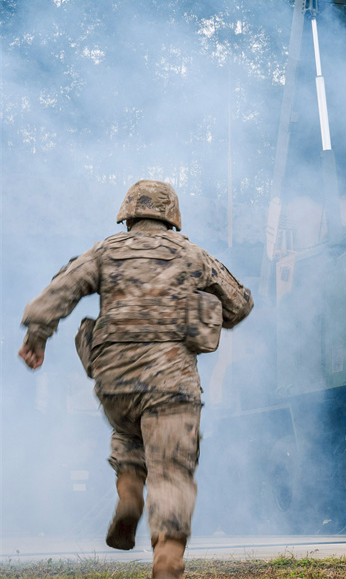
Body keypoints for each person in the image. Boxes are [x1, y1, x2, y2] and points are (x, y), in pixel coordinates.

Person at [18, 180, 253, 579]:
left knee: (129, 434)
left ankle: (129, 493)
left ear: (127, 214)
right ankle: (167, 556)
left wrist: (36, 337)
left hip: (115, 384)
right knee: (171, 468)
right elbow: (239, 303)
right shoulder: (192, 254)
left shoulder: (104, 251)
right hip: (171, 385)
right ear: (172, 217)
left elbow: (58, 292)